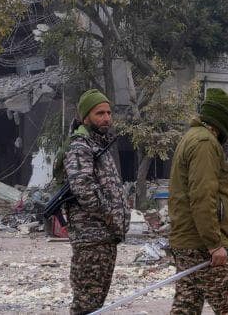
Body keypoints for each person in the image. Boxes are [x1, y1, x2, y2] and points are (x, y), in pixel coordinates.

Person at [168, 87, 228, 314]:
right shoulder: (205, 143)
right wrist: (214, 244)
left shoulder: (192, 137)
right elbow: (202, 197)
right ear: (223, 119)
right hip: (201, 243)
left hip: (187, 241)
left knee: (187, 306)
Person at [63, 89, 129, 315]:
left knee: (94, 303)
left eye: (109, 113)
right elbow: (84, 189)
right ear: (85, 118)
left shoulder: (99, 146)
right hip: (92, 239)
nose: (106, 118)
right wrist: (111, 215)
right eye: (99, 113)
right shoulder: (80, 147)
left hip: (104, 237)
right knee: (87, 305)